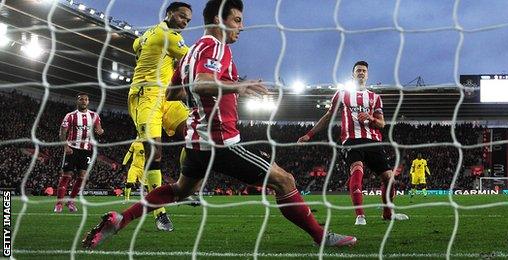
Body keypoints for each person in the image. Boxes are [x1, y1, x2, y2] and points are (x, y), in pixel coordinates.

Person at [82, 0, 356, 249]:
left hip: (196, 142)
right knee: (285, 180)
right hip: (220, 141)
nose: (241, 26)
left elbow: (172, 93)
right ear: (217, 20)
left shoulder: (191, 52)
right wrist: (238, 86)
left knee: (180, 190)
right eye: (236, 20)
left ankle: (121, 219)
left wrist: (210, 91)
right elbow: (201, 83)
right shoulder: (216, 46)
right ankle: (321, 238)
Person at [298, 60, 408, 226]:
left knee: (388, 178)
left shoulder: (375, 98)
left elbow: (382, 124)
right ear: (353, 74)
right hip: (351, 140)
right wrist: (309, 134)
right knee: (357, 172)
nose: (361, 73)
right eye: (358, 71)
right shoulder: (342, 94)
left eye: (364, 70)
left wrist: (370, 118)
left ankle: (388, 213)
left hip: (373, 141)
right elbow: (328, 116)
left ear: (367, 74)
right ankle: (360, 216)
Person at [127, 1, 193, 231]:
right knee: (154, 153)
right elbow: (194, 59)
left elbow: (137, 46)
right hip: (145, 97)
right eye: (182, 16)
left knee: (195, 133)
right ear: (169, 14)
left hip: (166, 97)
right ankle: (159, 211)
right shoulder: (170, 36)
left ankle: (187, 186)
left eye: (188, 20)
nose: (185, 22)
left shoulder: (145, 36)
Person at [55, 93, 103, 213]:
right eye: (81, 99)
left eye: (86, 99)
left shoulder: (94, 115)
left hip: (87, 150)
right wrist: (65, 146)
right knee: (66, 176)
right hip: (72, 148)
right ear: (77, 101)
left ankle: (71, 201)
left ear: (88, 102)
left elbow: (100, 129)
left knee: (82, 177)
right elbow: (62, 132)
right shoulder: (70, 116)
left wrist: (100, 131)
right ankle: (59, 203)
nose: (84, 101)